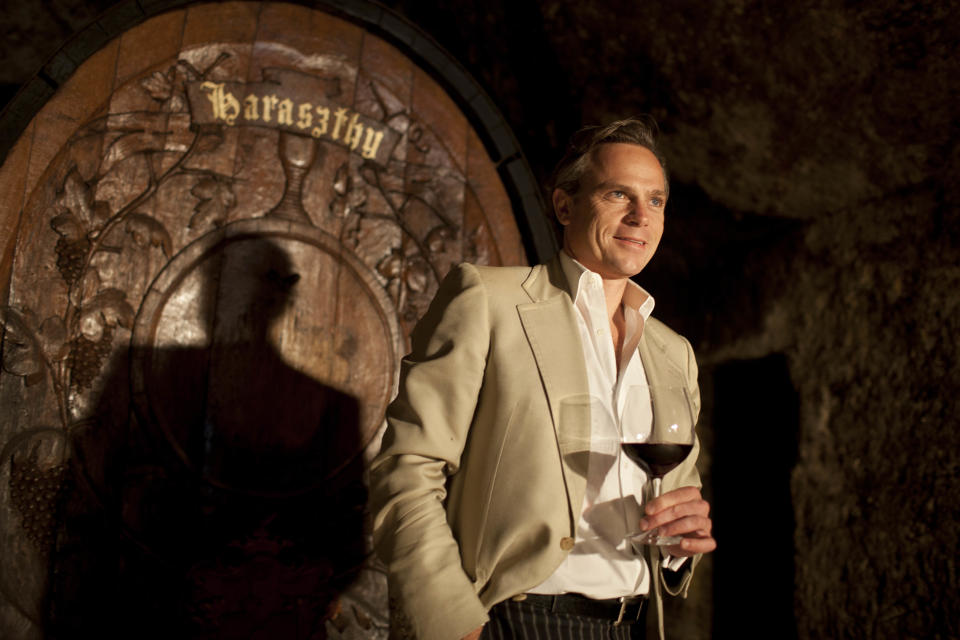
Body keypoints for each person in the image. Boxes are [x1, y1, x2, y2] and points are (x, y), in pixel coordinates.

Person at [369, 118, 716, 640]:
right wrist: (452, 623)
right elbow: (406, 469)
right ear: (564, 206)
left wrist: (679, 544)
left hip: (630, 626)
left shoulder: (674, 353)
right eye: (618, 193)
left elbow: (678, 497)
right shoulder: (489, 302)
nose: (640, 215)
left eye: (656, 200)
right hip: (512, 620)